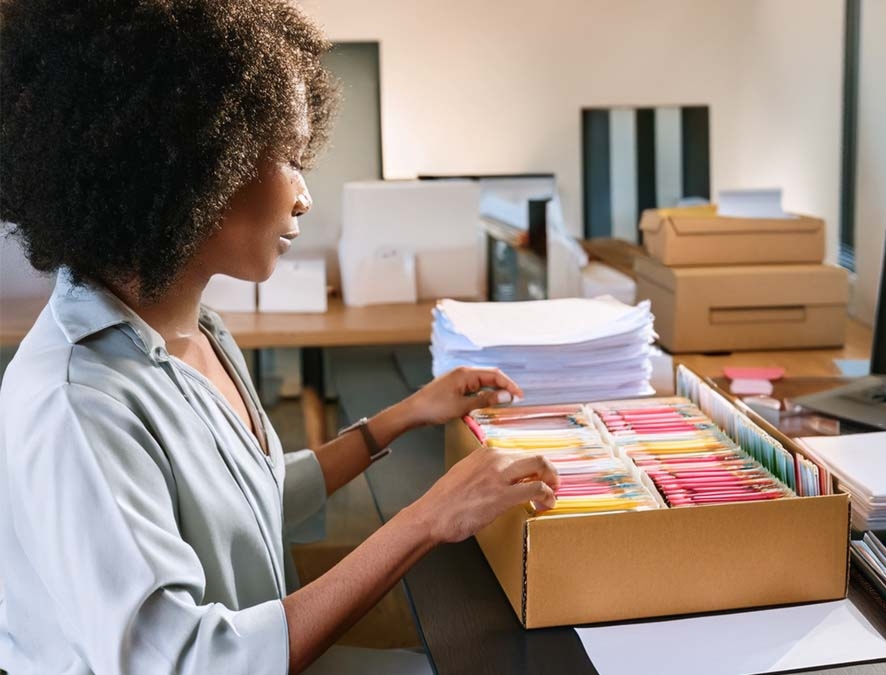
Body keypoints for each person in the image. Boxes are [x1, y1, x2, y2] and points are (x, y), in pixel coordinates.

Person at [0, 1, 558, 673]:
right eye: (290, 157)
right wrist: (428, 519)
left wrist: (402, 416)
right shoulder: (77, 404)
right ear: (196, 162)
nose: (304, 196)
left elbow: (251, 497)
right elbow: (187, 661)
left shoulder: (195, 328)